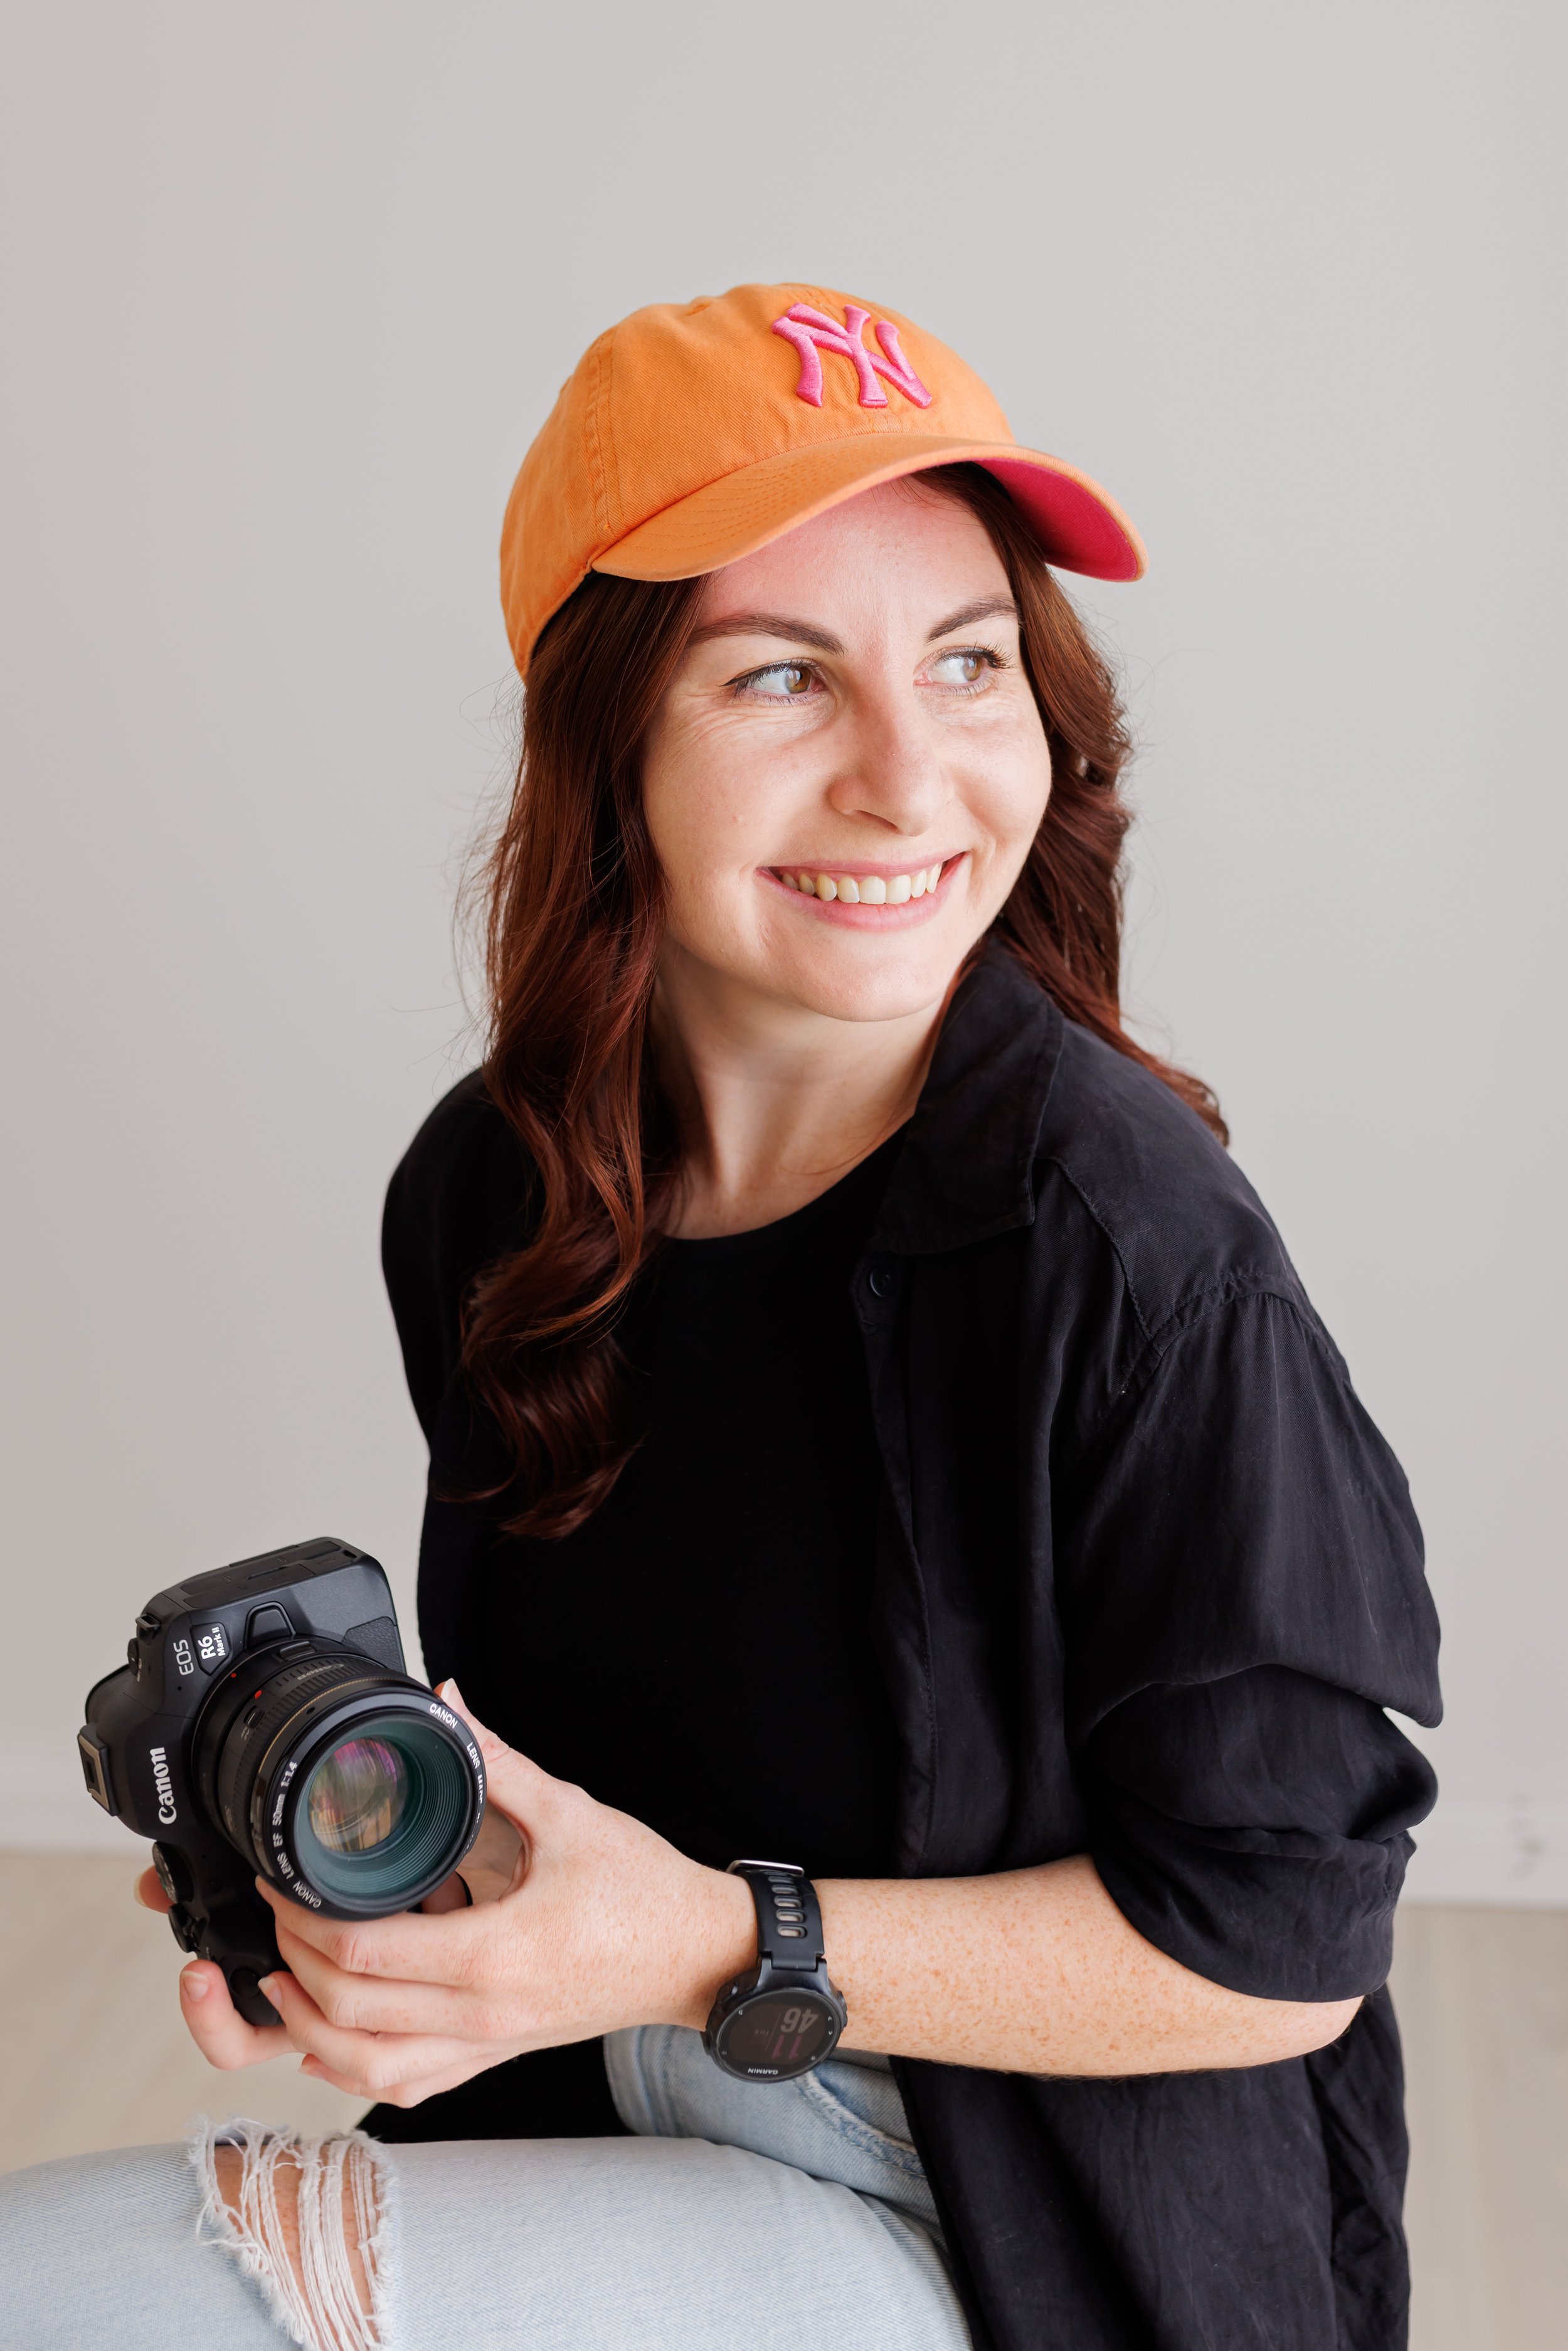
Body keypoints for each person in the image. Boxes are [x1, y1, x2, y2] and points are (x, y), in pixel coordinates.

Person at [1, 282, 1441, 2351]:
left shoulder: (1134, 1255)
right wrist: (404, 1911)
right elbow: (603, 1802)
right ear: (610, 753)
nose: (905, 774)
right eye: (780, 676)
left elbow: (1281, 1945)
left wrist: (703, 1939)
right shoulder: (490, 1193)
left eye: (967, 663)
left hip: (1025, 2236)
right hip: (654, 2104)